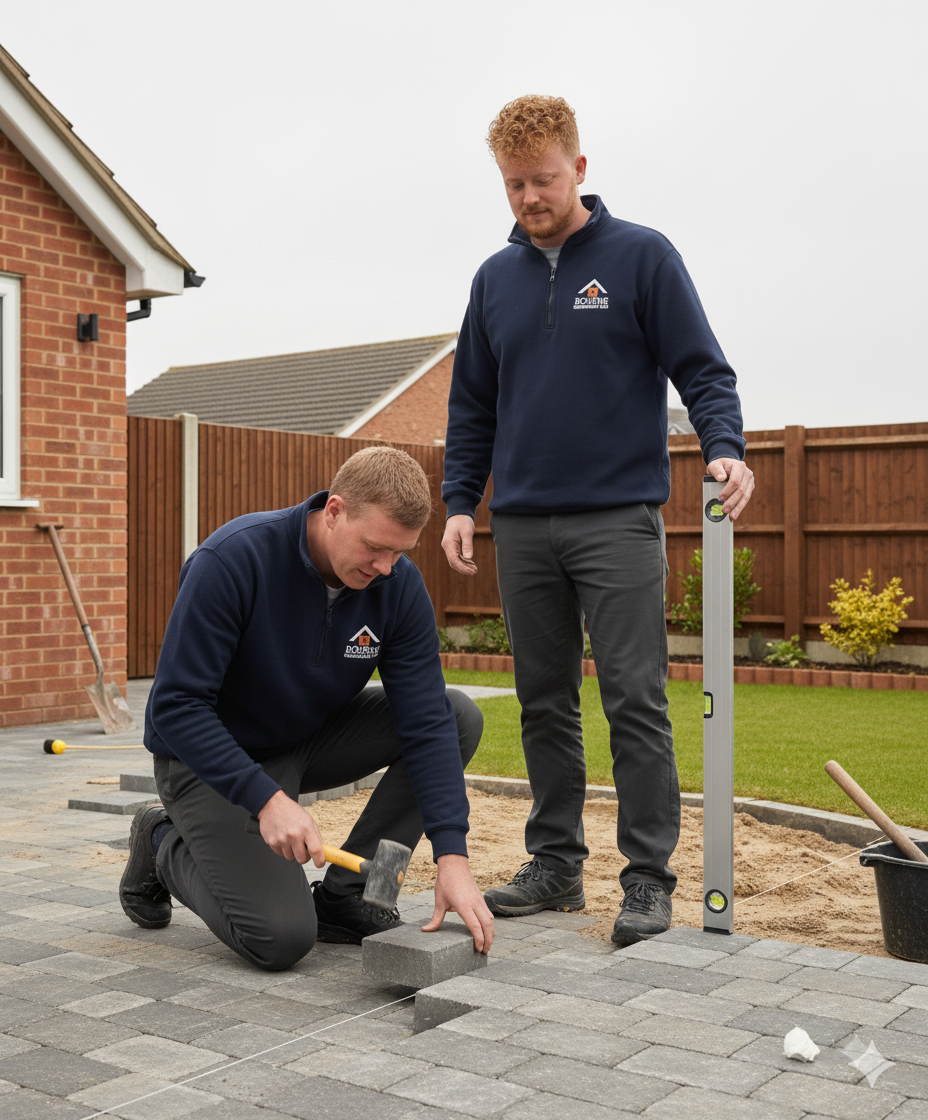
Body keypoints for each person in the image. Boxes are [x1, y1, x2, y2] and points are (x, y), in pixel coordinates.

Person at [441, 95, 754, 946]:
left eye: (542, 180)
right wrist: (460, 502)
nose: (529, 198)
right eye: (512, 185)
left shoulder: (641, 257)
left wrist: (724, 446)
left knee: (634, 700)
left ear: (579, 168)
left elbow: (704, 369)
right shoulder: (493, 280)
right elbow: (471, 404)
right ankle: (556, 867)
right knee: (543, 702)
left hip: (617, 519)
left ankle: (648, 879)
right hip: (524, 526)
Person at [120, 446, 494, 970]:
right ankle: (161, 842)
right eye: (374, 548)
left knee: (456, 717)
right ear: (335, 511)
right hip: (209, 763)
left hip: (307, 738)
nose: (386, 568)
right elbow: (177, 706)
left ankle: (356, 893)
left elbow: (426, 722)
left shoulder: (396, 584)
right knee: (281, 938)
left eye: (400, 553)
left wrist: (452, 854)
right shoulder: (234, 560)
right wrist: (266, 800)